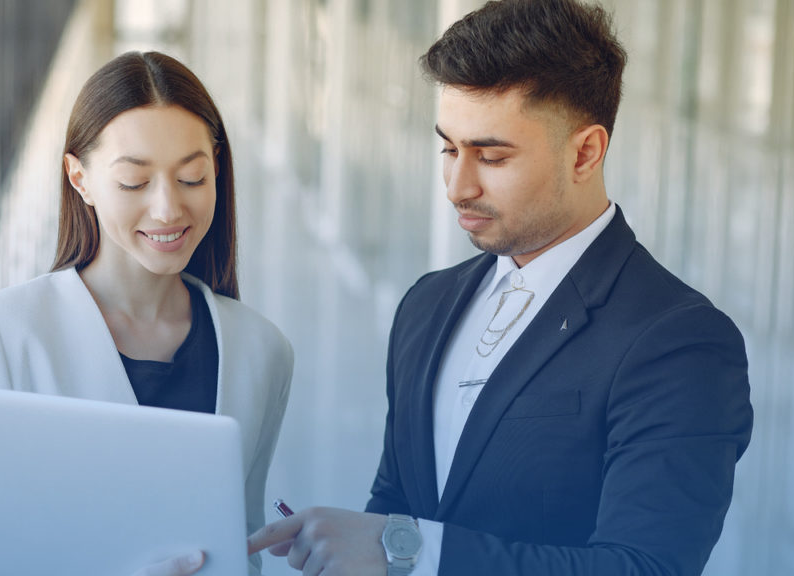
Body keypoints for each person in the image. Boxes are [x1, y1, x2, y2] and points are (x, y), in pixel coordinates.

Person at [248, 0, 753, 574]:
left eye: (491, 156)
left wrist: (406, 552)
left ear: (585, 151)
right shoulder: (427, 304)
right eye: (448, 148)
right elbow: (397, 506)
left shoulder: (679, 340)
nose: (458, 186)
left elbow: (643, 567)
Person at [0, 51, 293, 576]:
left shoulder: (262, 350)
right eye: (134, 182)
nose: (167, 209)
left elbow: (240, 547)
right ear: (79, 178)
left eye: (192, 178)